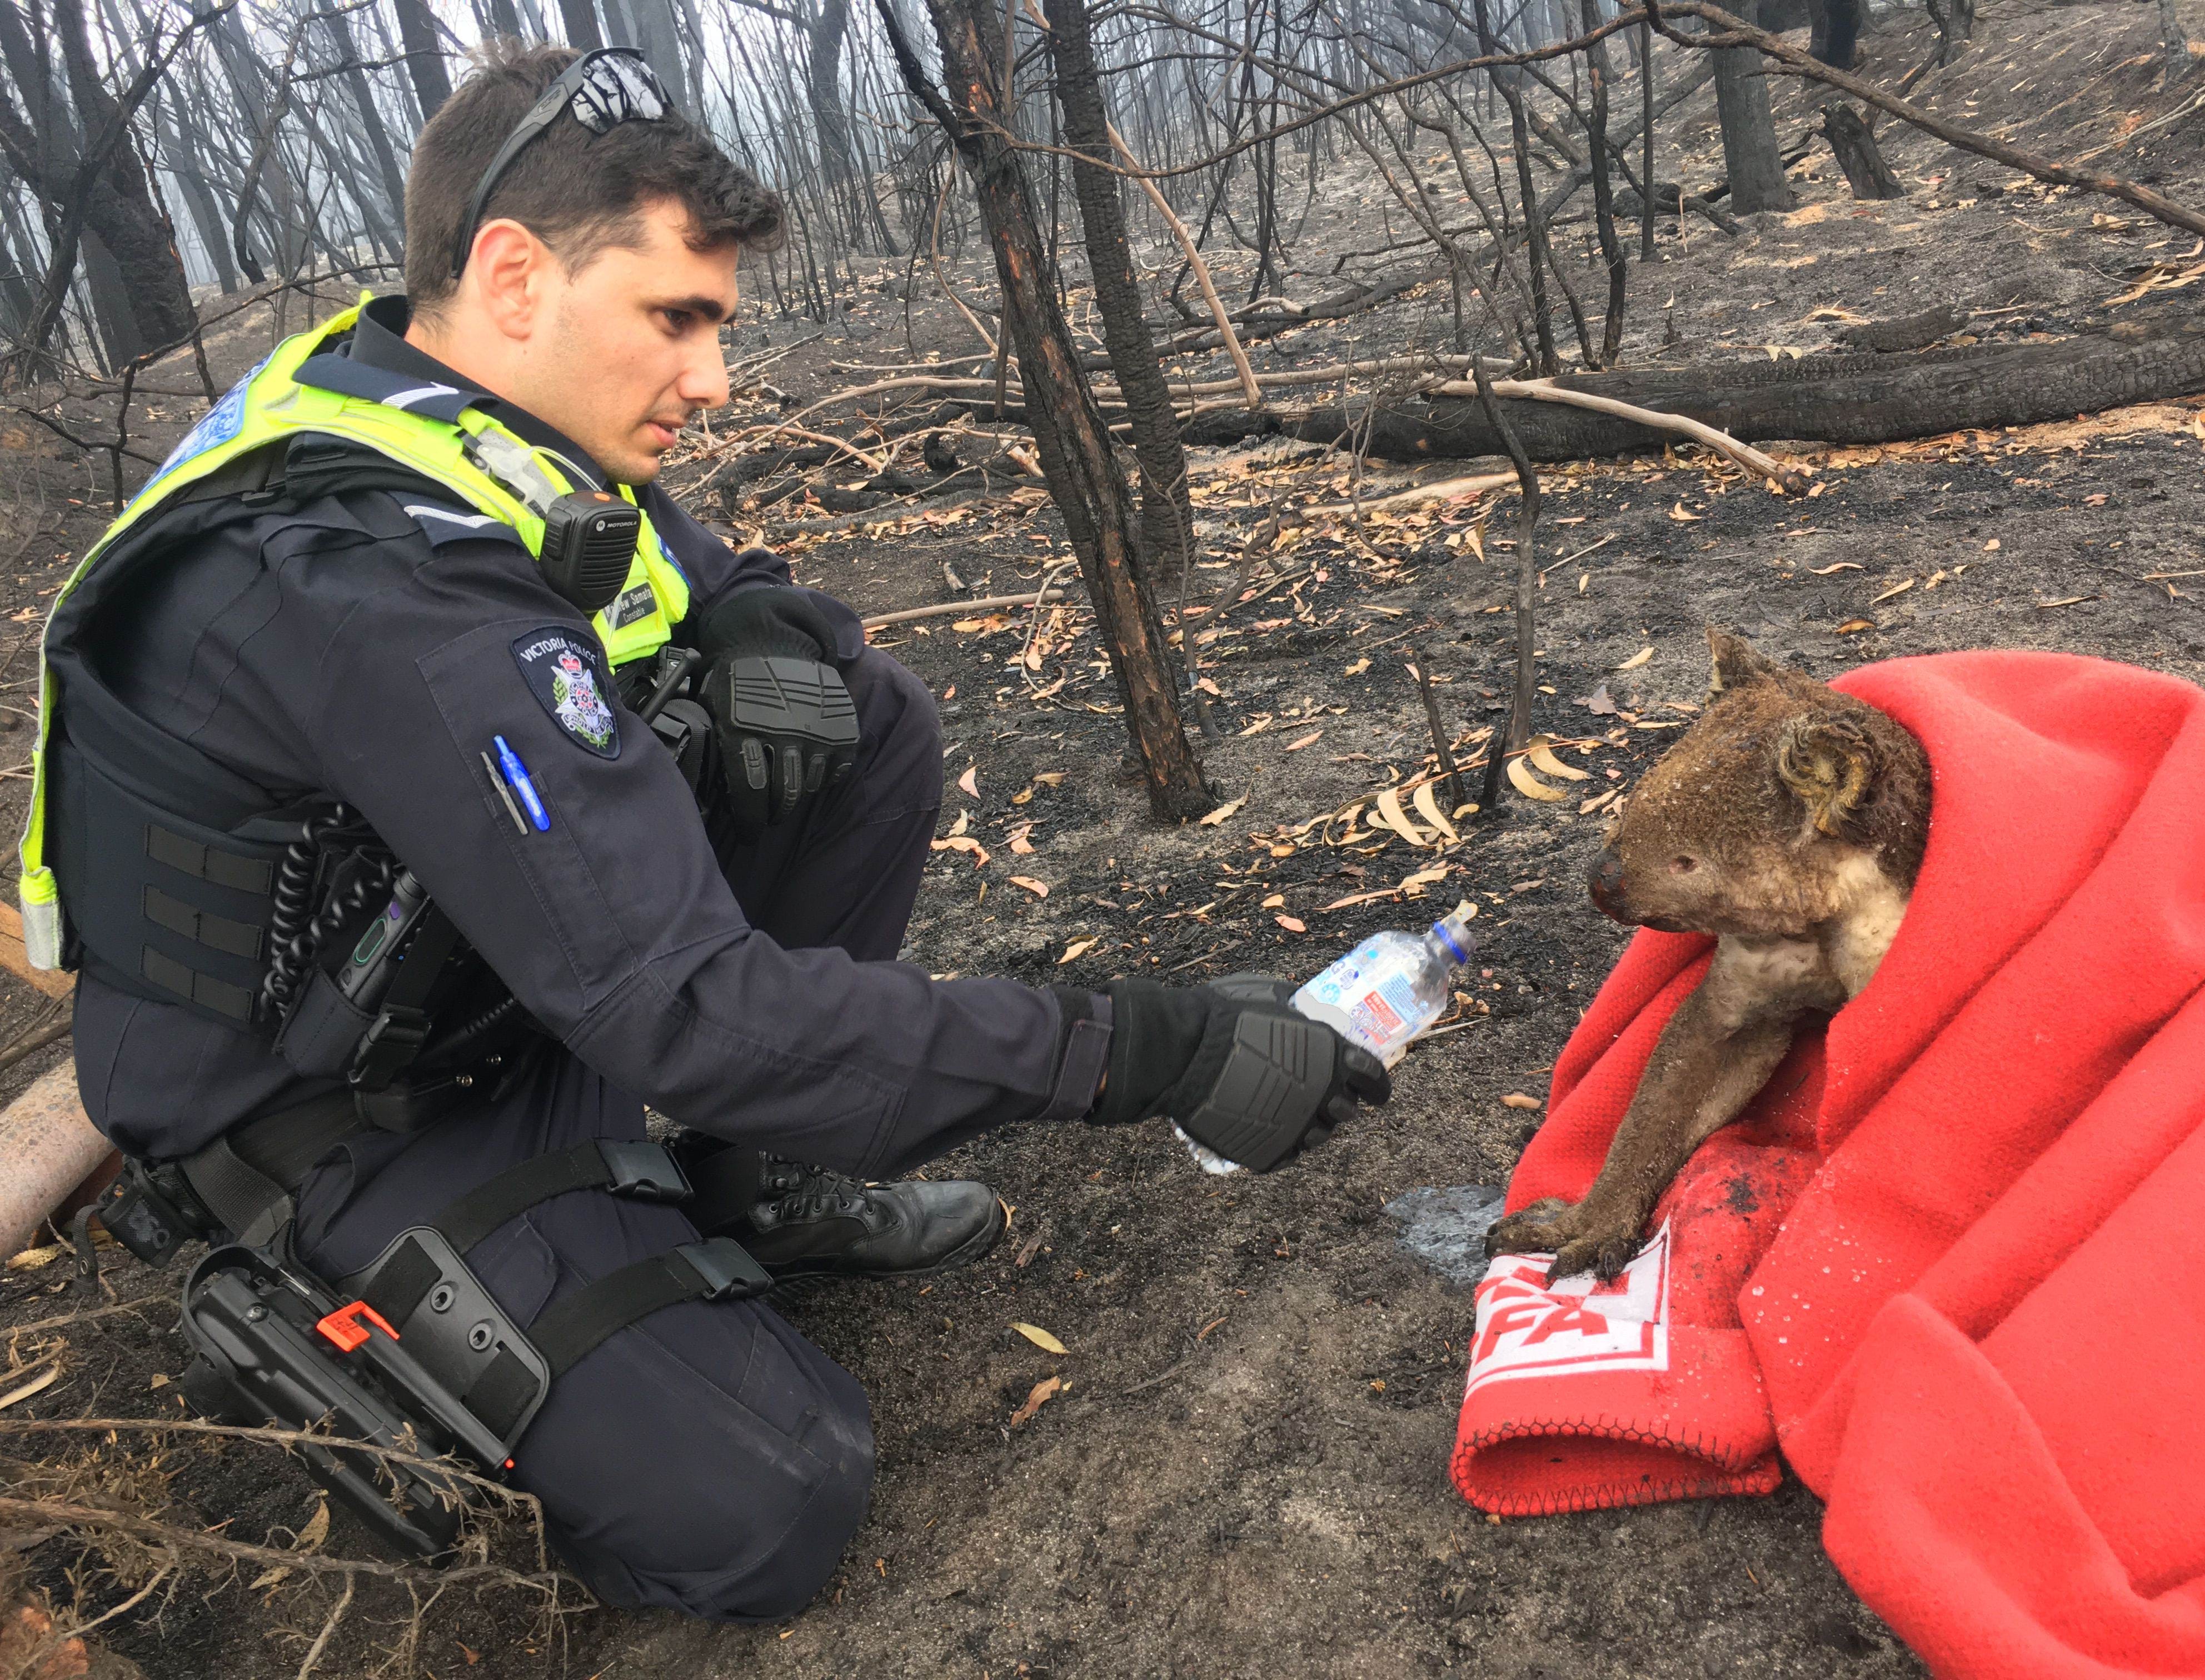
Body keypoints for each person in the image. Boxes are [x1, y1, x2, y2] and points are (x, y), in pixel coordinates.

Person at [21, 40, 1388, 1619]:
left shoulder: (428, 399)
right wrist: (1140, 1051)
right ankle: (377, 1306)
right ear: (516, 273)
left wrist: (762, 626)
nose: (715, 378)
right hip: (327, 1112)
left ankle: (754, 1181)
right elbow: (684, 1006)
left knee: (852, 721)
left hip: (469, 965)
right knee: (768, 1500)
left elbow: (701, 574)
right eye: (678, 318)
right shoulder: (364, 579)